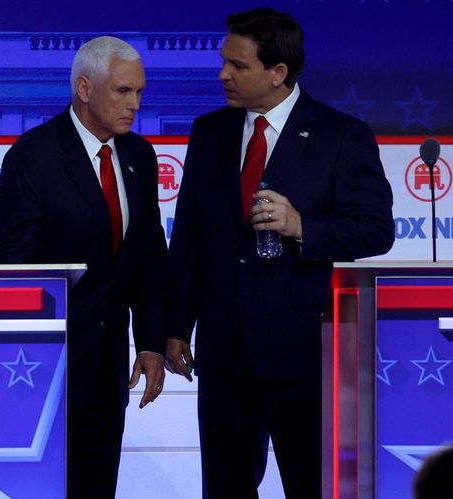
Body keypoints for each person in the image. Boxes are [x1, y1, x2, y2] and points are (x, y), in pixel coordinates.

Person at [165, 8, 394, 498]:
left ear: (278, 73)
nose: (223, 74)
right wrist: (176, 325)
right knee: (225, 487)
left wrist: (302, 226)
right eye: (224, 62)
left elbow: (375, 231)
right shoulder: (210, 132)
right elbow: (189, 238)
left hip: (302, 353)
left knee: (311, 484)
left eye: (238, 66)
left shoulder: (341, 136)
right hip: (224, 352)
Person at [0, 36, 169, 497]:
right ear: (84, 89)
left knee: (97, 484)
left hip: (109, 368)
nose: (135, 104)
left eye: (140, 93)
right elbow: (3, 262)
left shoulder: (139, 157)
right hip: (44, 368)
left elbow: (147, 257)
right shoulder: (35, 156)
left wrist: (150, 342)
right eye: (123, 92)